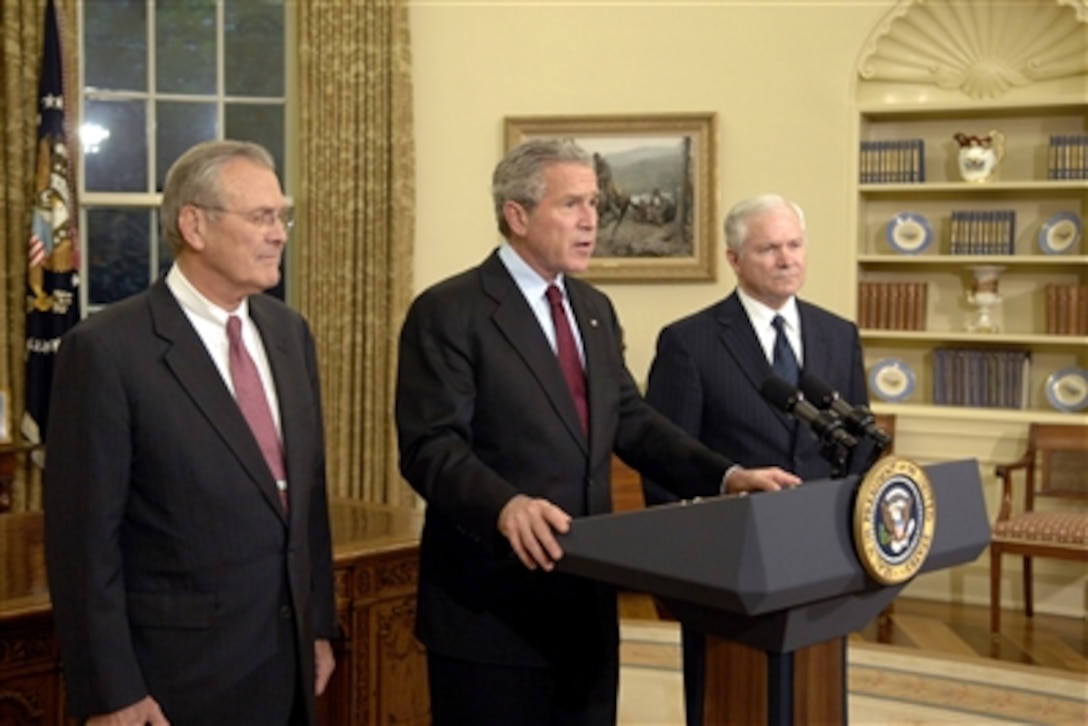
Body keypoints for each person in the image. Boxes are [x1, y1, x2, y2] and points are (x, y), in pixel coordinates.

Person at [394, 139, 800, 726]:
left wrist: (726, 475)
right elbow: (430, 446)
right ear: (517, 215)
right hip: (491, 607)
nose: (593, 220)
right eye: (572, 205)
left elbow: (631, 421)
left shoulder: (593, 309)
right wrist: (504, 504)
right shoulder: (450, 311)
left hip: (585, 600)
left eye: (595, 203)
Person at [44, 140, 337, 726]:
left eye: (283, 216)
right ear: (194, 225)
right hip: (173, 682)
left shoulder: (288, 333)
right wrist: (112, 691)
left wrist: (319, 627)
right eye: (261, 217)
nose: (279, 233)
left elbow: (307, 502)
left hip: (287, 667)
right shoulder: (107, 351)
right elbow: (83, 544)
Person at [643, 193, 871, 726]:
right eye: (769, 248)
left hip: (823, 544)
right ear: (735, 259)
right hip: (731, 554)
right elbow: (666, 458)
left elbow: (858, 443)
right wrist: (681, 564)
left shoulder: (838, 334)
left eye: (794, 245)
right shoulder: (689, 342)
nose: (787, 258)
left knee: (813, 696)